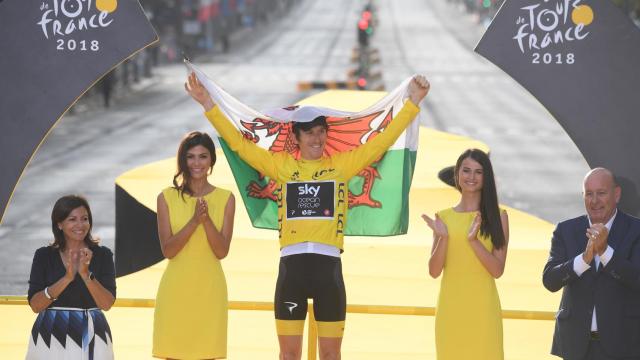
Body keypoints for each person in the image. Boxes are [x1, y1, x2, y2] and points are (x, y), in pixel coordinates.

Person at [185, 72, 429, 360]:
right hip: (292, 270)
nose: (317, 138)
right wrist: (207, 104)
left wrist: (412, 103)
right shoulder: (282, 167)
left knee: (330, 355)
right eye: (310, 132)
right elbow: (239, 145)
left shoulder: (341, 166)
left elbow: (380, 143)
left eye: (321, 131)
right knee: (289, 356)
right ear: (296, 137)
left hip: (329, 271)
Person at [152, 131, 236, 359]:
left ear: (211, 161)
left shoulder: (226, 198)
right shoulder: (166, 198)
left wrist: (206, 220)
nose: (197, 163)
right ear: (183, 160)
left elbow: (221, 251)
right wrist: (194, 221)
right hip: (176, 289)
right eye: (191, 157)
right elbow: (169, 250)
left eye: (203, 156)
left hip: (210, 289)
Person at [542, 168, 640, 360]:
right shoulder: (566, 230)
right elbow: (550, 280)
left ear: (616, 194)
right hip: (576, 346)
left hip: (624, 345)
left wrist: (605, 252)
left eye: (601, 193)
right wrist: (584, 259)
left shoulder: (636, 231)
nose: (594, 201)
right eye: (589, 194)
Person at [422, 148, 509, 360]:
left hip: (483, 309)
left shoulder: (499, 217)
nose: (471, 177)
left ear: (486, 177)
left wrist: (473, 241)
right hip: (450, 310)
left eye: (478, 172)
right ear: (458, 174)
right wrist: (443, 237)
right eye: (466, 170)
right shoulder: (443, 217)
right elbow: (434, 271)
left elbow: (497, 270)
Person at [26, 195, 116, 359]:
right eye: (72, 219)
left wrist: (85, 274)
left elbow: (107, 303)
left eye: (85, 219)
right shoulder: (43, 255)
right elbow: (35, 305)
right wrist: (67, 278)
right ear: (59, 224)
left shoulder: (103, 255)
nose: (80, 225)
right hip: (50, 336)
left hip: (94, 335)